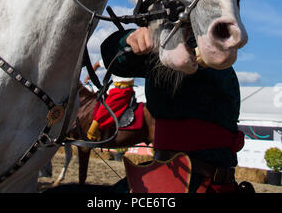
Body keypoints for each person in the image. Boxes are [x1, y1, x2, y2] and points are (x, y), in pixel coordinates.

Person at [100, 26, 253, 194]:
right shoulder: (170, 48)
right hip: (174, 182)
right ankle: (95, 129)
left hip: (223, 185)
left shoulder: (215, 50)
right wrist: (129, 39)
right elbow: (111, 53)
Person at [84, 58, 135, 141]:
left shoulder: (119, 57)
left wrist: (87, 77)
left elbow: (97, 64)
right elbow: (97, 64)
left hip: (122, 92)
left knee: (102, 112)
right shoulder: (113, 57)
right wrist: (88, 77)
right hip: (118, 90)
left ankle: (91, 136)